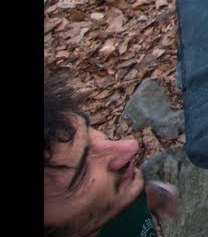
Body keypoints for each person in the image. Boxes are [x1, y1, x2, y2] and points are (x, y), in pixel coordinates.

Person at [44, 73, 180, 237]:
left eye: (89, 131)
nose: (130, 146)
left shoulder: (114, 197)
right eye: (83, 172)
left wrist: (153, 197)